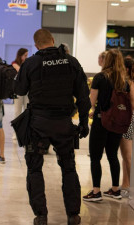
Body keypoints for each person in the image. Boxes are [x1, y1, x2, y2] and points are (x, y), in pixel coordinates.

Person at [14, 29, 90, 225]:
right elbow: (83, 96)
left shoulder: (30, 63)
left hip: (38, 123)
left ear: (36, 45)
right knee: (68, 168)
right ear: (53, 41)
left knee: (34, 169)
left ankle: (41, 215)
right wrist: (82, 122)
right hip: (64, 123)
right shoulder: (71, 62)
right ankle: (73, 214)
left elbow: (19, 90)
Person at [83, 49, 128, 203]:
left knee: (95, 156)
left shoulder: (100, 77)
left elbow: (92, 100)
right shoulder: (124, 80)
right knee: (113, 155)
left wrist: (92, 110)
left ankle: (96, 192)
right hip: (117, 122)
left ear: (106, 60)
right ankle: (115, 189)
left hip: (101, 121)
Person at [119, 57, 134, 198]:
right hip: (129, 119)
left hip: (129, 119)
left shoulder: (129, 83)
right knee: (125, 156)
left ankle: (131, 187)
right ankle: (125, 184)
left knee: (127, 156)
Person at [12, 48, 29, 140]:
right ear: (20, 55)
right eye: (25, 55)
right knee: (17, 112)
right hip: (18, 91)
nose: (26, 57)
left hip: (27, 91)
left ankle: (26, 133)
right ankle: (16, 133)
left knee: (27, 111)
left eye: (27, 55)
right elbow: (21, 72)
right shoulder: (14, 63)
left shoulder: (27, 63)